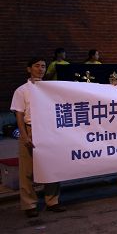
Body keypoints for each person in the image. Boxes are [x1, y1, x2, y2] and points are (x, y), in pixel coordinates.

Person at [11, 57, 66, 217]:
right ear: (29, 69)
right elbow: (19, 115)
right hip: (31, 129)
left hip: (49, 130)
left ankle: (52, 201)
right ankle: (29, 204)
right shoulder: (21, 90)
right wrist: (24, 134)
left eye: (43, 66)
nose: (41, 69)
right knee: (27, 170)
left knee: (52, 166)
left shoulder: (51, 89)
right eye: (37, 66)